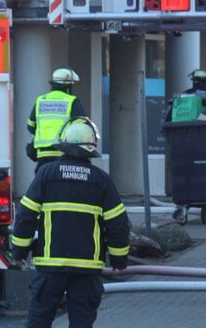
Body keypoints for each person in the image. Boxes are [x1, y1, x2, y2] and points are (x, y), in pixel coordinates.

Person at [11, 118, 130, 328]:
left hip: (50, 266)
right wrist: (119, 261)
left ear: (64, 143)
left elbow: (25, 215)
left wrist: (19, 253)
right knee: (82, 322)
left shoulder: (46, 174)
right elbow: (117, 224)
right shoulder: (102, 180)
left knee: (39, 321)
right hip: (87, 269)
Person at [27, 67, 88, 167]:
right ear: (68, 86)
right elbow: (82, 128)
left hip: (42, 156)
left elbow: (30, 127)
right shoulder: (72, 101)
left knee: (43, 182)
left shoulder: (41, 100)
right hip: (65, 155)